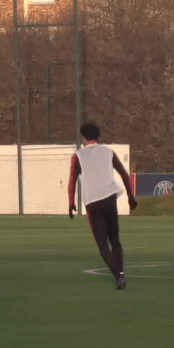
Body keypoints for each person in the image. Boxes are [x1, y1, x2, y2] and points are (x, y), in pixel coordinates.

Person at [67, 122, 137, 289]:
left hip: (93, 203)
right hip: (110, 199)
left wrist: (71, 203)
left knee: (103, 246)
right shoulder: (108, 152)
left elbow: (72, 181)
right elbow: (124, 174)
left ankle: (118, 277)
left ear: (84, 137)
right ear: (98, 137)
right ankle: (120, 273)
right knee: (115, 240)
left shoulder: (78, 156)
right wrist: (130, 196)